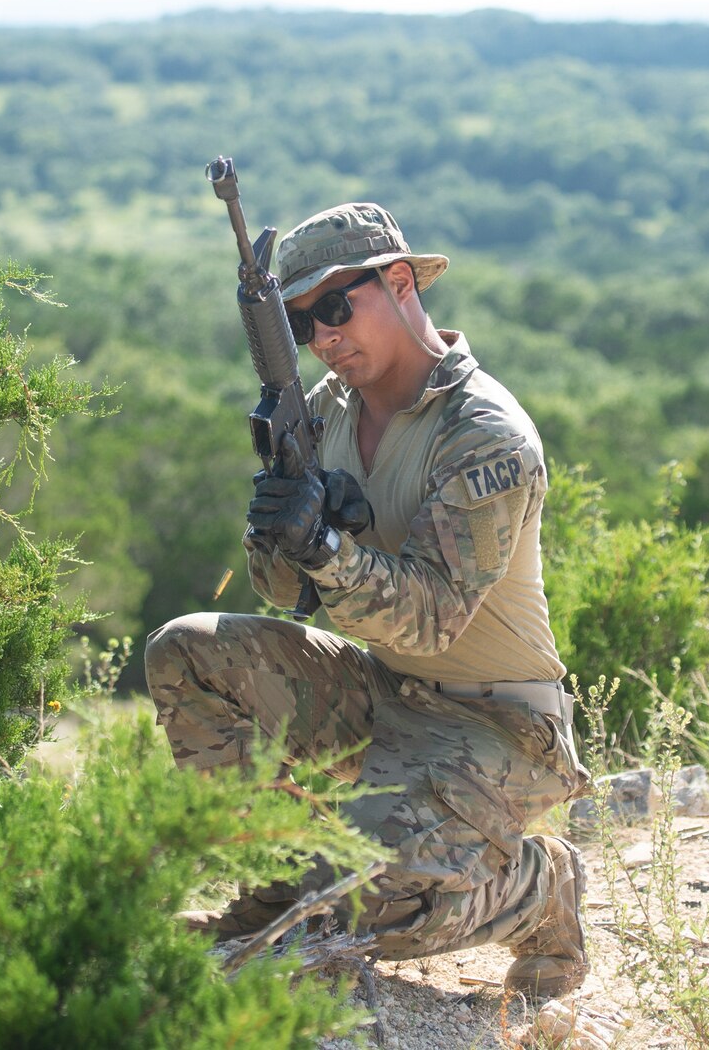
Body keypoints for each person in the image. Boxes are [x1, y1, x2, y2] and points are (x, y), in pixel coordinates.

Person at [145, 202, 591, 998]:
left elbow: (430, 620)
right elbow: (283, 595)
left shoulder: (485, 433)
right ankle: (284, 884)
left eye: (333, 307)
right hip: (383, 692)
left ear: (399, 281)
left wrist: (329, 548)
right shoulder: (324, 411)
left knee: (371, 906)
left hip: (498, 723)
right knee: (188, 651)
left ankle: (535, 887)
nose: (321, 336)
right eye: (301, 320)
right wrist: (279, 532)